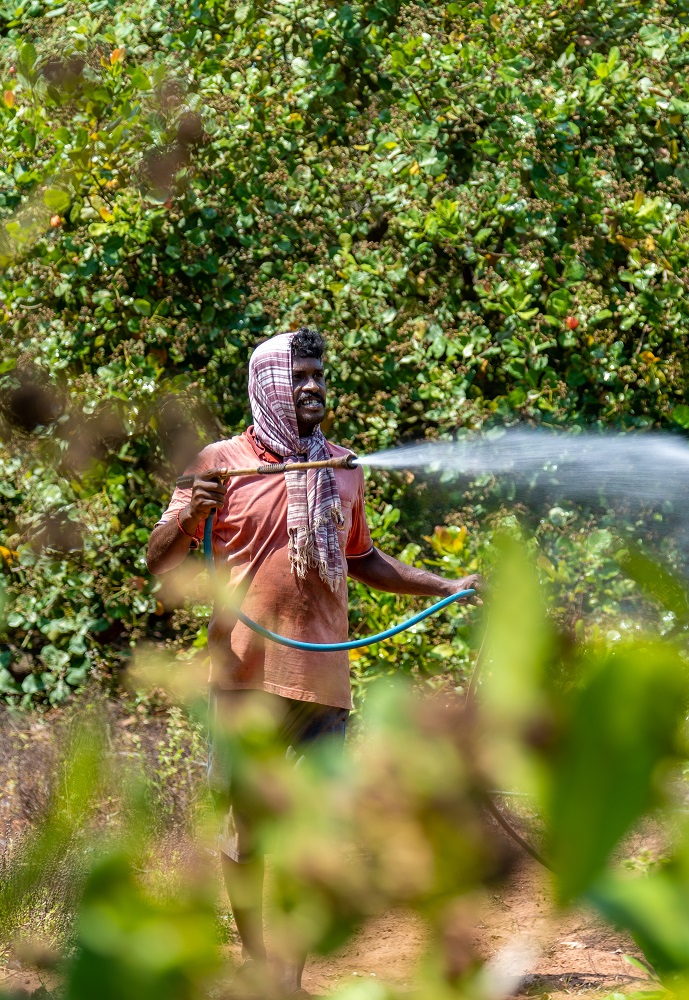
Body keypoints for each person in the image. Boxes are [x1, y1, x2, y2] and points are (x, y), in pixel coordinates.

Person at [146, 328, 480, 997]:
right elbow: (159, 562)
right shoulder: (224, 462)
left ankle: (290, 981)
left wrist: (446, 585)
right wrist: (190, 514)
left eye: (319, 375)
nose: (314, 388)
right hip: (244, 677)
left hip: (325, 682)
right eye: (298, 377)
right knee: (249, 831)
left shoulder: (341, 466)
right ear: (267, 385)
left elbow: (361, 559)